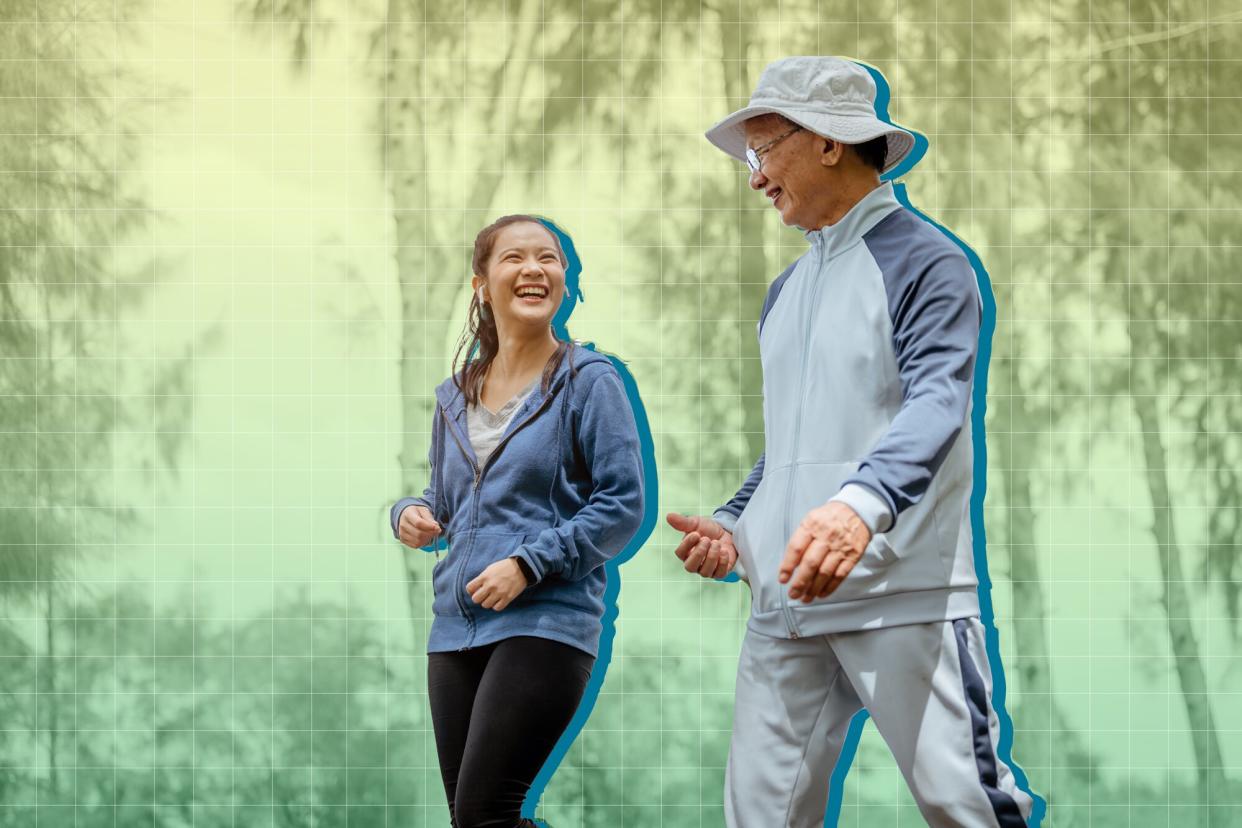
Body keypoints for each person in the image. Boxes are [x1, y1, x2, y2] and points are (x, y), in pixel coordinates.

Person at [666, 57, 1039, 827]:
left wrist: (858, 508)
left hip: (902, 595)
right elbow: (796, 443)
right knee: (759, 819)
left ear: (829, 142)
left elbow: (939, 404)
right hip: (785, 600)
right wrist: (738, 525)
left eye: (763, 150)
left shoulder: (928, 262)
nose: (755, 177)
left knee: (963, 804)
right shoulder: (786, 291)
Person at [391, 215, 645, 828]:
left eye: (549, 258)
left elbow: (621, 505)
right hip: (456, 628)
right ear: (481, 283)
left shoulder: (590, 381)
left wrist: (529, 564)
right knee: (474, 822)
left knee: (486, 813)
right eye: (514, 258)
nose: (534, 269)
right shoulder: (454, 395)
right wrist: (412, 514)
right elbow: (448, 498)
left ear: (564, 279)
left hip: (545, 620)